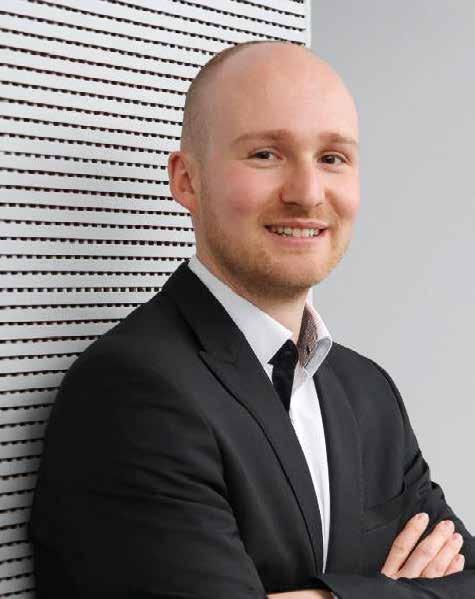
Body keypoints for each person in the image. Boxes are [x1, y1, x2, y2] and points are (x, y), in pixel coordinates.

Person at [29, 40, 474, 598]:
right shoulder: (133, 391)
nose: (307, 193)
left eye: (332, 158)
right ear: (187, 180)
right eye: (265, 154)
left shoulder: (367, 392)